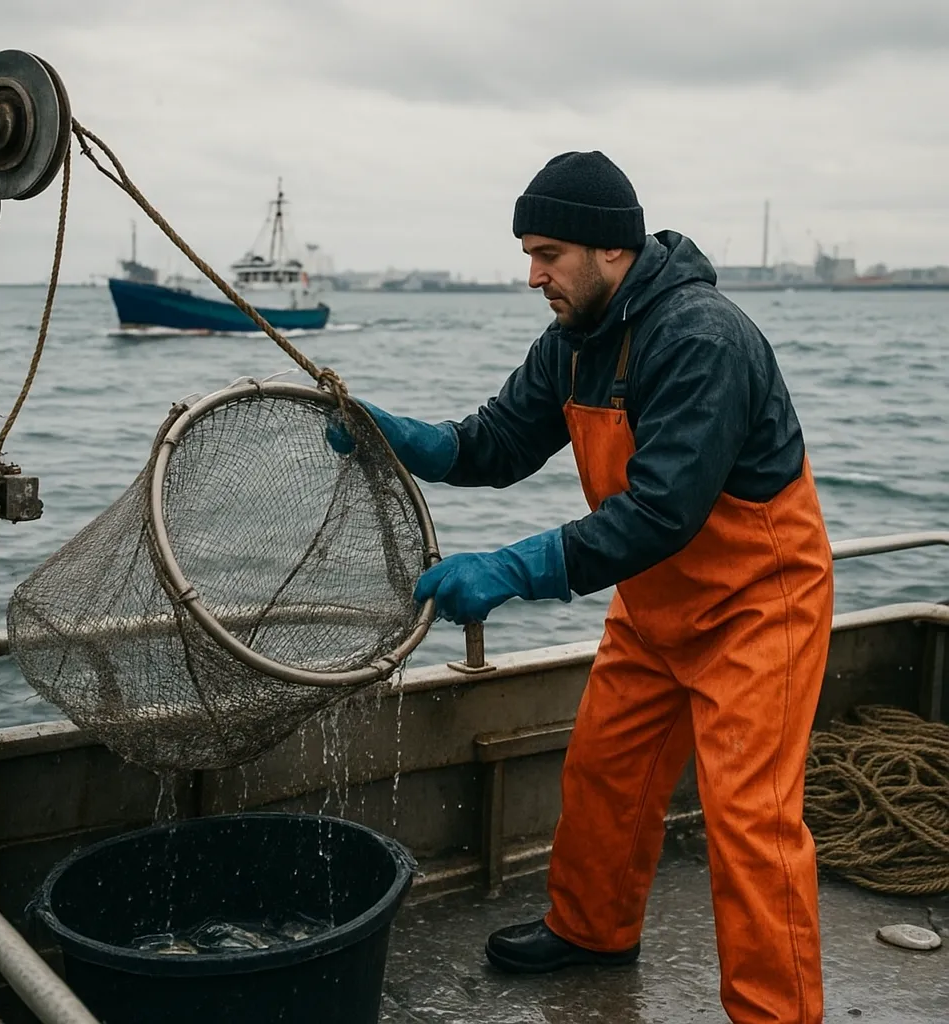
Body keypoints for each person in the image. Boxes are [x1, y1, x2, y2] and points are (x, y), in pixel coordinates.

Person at [331, 151, 834, 1024]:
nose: (533, 276)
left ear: (610, 250)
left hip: (761, 607)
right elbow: (494, 443)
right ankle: (593, 929)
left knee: (751, 822)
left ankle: (778, 1012)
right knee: (605, 775)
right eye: (528, 252)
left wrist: (508, 570)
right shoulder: (572, 343)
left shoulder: (702, 337)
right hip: (655, 606)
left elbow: (659, 512)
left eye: (549, 253)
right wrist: (396, 437)